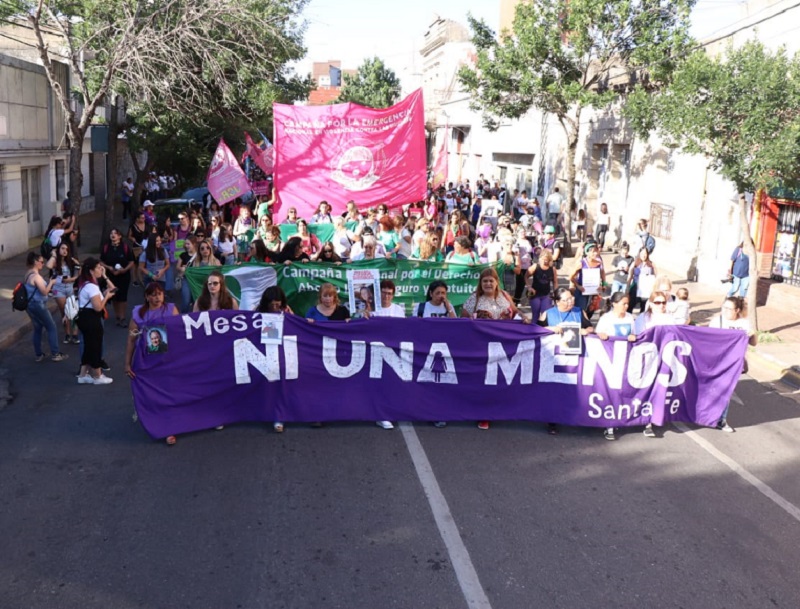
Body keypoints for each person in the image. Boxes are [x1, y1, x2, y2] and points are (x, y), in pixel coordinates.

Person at [124, 282, 180, 443]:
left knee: (170, 392)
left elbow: (181, 333)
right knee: (152, 394)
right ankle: (157, 423)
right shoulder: (138, 314)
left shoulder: (171, 309)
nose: (157, 298)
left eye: (160, 294)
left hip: (169, 360)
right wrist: (127, 363)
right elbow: (131, 340)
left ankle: (170, 428)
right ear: (147, 297)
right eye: (153, 295)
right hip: (146, 362)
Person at [707, 296, 757, 432]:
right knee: (711, 390)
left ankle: (721, 420)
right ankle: (705, 414)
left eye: (729, 309)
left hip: (733, 364)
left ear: (737, 310)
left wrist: (752, 334)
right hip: (717, 361)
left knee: (726, 392)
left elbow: (753, 343)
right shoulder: (717, 321)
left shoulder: (744, 323)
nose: (725, 311)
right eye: (724, 307)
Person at [595, 291, 636, 441]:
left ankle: (621, 418)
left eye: (627, 303)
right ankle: (609, 425)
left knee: (622, 391)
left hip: (626, 360)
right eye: (623, 303)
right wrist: (601, 335)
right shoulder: (606, 319)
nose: (626, 306)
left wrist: (633, 337)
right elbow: (597, 335)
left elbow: (635, 336)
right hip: (609, 361)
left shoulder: (630, 318)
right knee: (610, 392)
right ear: (614, 304)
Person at [255, 285, 293, 433]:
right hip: (263, 351)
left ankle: (280, 416)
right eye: (273, 303)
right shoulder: (258, 311)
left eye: (278, 303)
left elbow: (296, 326)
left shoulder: (286, 310)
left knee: (281, 382)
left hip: (282, 352)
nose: (276, 306)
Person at [75, 257, 116, 384]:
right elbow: (98, 308)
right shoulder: (92, 287)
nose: (100, 269)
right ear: (91, 271)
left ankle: (82, 375)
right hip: (91, 318)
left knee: (88, 346)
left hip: (84, 317)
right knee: (95, 346)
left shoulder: (85, 284)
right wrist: (107, 297)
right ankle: (97, 375)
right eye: (98, 268)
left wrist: (104, 277)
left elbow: (113, 289)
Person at [23, 252, 69, 362]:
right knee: (51, 326)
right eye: (41, 262)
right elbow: (44, 292)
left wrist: (51, 289)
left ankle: (39, 354)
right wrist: (51, 282)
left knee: (38, 327)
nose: (43, 264)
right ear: (35, 262)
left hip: (29, 305)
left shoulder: (28, 274)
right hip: (38, 305)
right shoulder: (36, 276)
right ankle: (55, 353)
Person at [46, 241, 81, 345]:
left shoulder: (71, 261)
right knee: (65, 312)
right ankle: (67, 334)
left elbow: (79, 270)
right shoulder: (55, 262)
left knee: (73, 312)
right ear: (58, 250)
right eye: (62, 248)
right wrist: (53, 255)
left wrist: (73, 279)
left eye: (66, 249)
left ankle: (74, 335)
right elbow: (48, 266)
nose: (65, 251)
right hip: (58, 289)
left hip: (69, 288)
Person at [100, 228, 135, 327]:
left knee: (123, 297)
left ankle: (123, 317)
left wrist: (124, 269)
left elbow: (131, 261)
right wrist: (109, 268)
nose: (113, 235)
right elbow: (101, 261)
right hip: (111, 276)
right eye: (111, 233)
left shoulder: (125, 247)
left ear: (120, 236)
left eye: (115, 233)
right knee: (114, 296)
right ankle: (117, 317)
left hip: (123, 276)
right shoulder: (106, 247)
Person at [570, 242, 606, 314]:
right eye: (593, 252)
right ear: (587, 253)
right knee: (580, 311)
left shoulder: (599, 263)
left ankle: (587, 324)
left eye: (596, 251)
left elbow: (602, 274)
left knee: (590, 311)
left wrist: (603, 285)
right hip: (582, 291)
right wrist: (578, 286)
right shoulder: (581, 263)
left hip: (593, 291)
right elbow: (571, 277)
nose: (595, 253)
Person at [525, 249, 558, 323]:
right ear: (540, 259)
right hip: (535, 294)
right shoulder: (535, 266)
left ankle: (544, 331)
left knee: (546, 315)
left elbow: (555, 282)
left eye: (547, 260)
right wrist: (529, 287)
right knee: (535, 315)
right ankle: (533, 331)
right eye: (543, 259)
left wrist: (556, 293)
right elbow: (526, 276)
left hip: (546, 294)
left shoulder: (552, 269)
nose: (545, 261)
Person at [630, 248, 657, 313]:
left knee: (644, 307)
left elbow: (656, 276)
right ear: (639, 254)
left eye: (645, 253)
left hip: (646, 289)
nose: (644, 255)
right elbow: (630, 275)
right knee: (631, 304)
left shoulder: (651, 264)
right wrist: (628, 287)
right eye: (642, 253)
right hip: (636, 286)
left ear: (648, 254)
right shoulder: (635, 263)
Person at [128, 211, 148, 287]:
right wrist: (132, 238)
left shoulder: (147, 225)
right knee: (136, 264)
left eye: (144, 217)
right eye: (142, 218)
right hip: (137, 247)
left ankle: (143, 278)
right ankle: (135, 279)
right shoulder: (133, 227)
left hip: (146, 246)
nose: (144, 219)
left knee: (144, 263)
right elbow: (129, 236)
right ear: (137, 219)